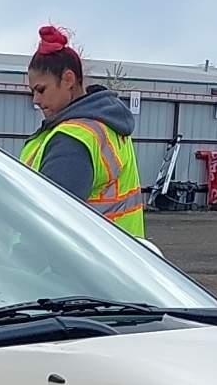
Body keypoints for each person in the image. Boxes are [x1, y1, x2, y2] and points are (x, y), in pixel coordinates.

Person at [18, 24, 146, 238]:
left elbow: (50, 227)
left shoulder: (72, 140)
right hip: (119, 262)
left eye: (41, 90)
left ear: (68, 79)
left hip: (72, 268)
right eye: (33, 92)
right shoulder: (107, 124)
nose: (36, 100)